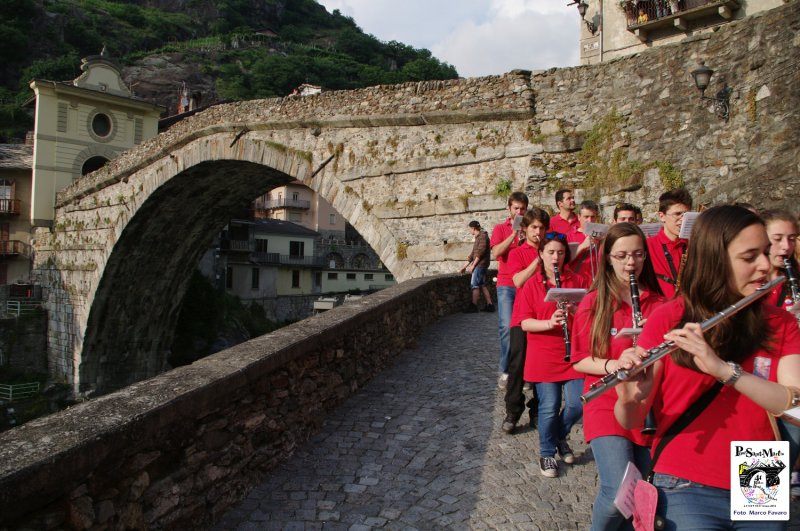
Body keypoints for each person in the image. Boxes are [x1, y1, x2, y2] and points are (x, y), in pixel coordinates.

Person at [614, 205, 800, 530]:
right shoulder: (670, 318)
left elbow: (795, 404)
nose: (765, 265)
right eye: (749, 257)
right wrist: (629, 398)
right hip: (685, 472)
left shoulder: (779, 322)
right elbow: (630, 420)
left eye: (766, 253)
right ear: (715, 259)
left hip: (760, 466)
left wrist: (725, 371)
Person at [572, 223, 664, 530]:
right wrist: (613, 363)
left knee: (640, 494)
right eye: (622, 255)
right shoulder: (594, 303)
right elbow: (579, 359)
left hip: (650, 406)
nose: (631, 263)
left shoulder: (660, 303)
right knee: (617, 492)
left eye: (638, 255)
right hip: (607, 403)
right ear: (608, 258)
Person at [517, 231, 591, 477]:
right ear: (541, 255)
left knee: (576, 403)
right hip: (543, 356)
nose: (556, 257)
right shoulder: (532, 284)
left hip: (573, 354)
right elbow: (524, 323)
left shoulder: (577, 279)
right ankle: (547, 453)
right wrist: (550, 323)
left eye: (560, 253)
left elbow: (593, 314)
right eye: (550, 252)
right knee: (548, 406)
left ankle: (560, 436)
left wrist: (576, 309)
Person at [501, 208, 549, 434]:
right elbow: (518, 281)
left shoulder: (552, 252)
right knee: (517, 365)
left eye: (541, 228)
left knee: (542, 366)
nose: (538, 232)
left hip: (545, 315)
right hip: (522, 316)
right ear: (526, 229)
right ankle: (513, 410)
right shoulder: (517, 253)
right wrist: (537, 261)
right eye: (534, 228)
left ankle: (537, 410)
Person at [491, 191, 529, 388]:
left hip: (526, 284)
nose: (519, 211)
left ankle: (524, 372)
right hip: (506, 284)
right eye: (516, 208)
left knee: (525, 329)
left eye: (522, 208)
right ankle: (506, 370)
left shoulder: (531, 228)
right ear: (509, 209)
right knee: (506, 327)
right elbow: (496, 252)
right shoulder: (500, 228)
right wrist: (513, 235)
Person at [646, 188, 692, 299]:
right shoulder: (647, 246)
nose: (682, 220)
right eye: (677, 214)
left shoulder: (694, 245)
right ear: (662, 216)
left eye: (686, 215)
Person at [458, 220, 494, 313]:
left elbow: (479, 253)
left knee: (475, 285)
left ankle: (473, 306)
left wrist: (473, 266)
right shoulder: (479, 237)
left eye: (469, 229)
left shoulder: (482, 236)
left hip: (480, 265)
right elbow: (473, 254)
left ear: (473, 228)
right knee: (482, 285)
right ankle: (490, 305)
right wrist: (464, 267)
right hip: (481, 265)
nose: (469, 231)